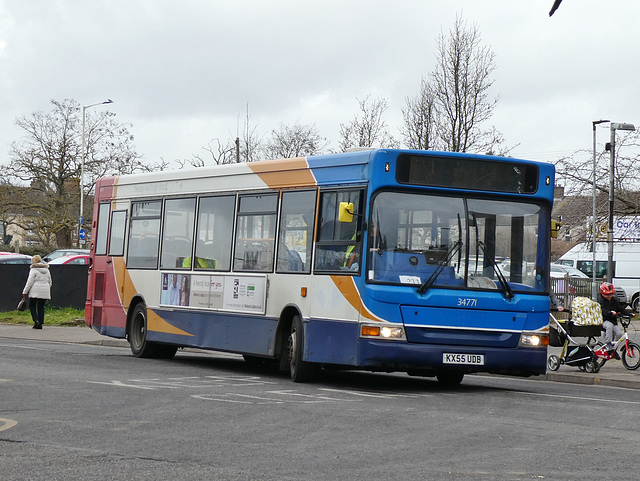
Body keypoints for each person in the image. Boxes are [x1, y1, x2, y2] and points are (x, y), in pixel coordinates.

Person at [22, 255, 52, 329]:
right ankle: (40, 323)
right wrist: (47, 288)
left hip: (35, 291)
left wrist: (25, 291)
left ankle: (36, 321)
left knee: (32, 305)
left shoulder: (33, 269)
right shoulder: (47, 270)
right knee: (41, 306)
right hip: (45, 290)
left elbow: (29, 282)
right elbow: (50, 282)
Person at [597, 282, 624, 347]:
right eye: (607, 295)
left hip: (613, 321)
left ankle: (614, 348)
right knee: (609, 326)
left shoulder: (614, 301)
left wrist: (629, 314)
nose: (609, 296)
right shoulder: (601, 301)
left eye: (610, 294)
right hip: (604, 321)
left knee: (619, 334)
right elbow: (602, 311)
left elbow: (620, 309)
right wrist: (610, 312)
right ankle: (608, 344)